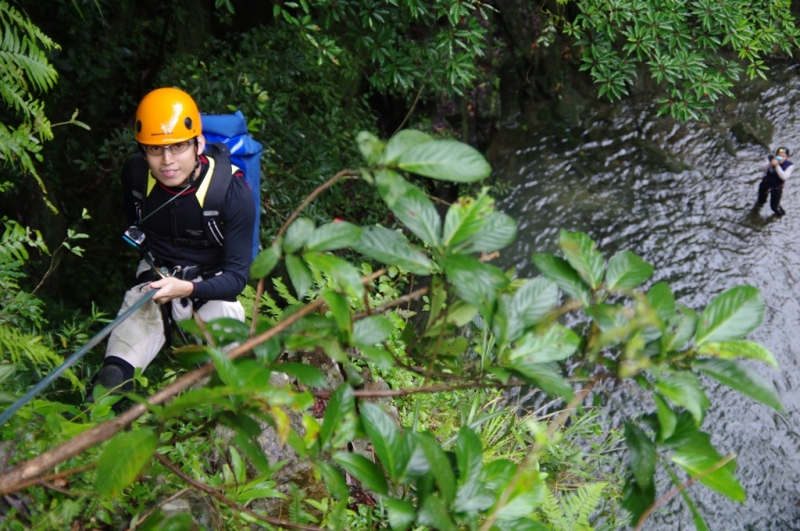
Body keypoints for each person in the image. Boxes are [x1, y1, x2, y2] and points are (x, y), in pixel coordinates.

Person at [92, 87, 255, 394]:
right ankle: (88, 433)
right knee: (112, 378)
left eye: (178, 146)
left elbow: (236, 278)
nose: (166, 161)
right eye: (155, 149)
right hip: (155, 279)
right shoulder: (136, 176)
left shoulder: (232, 194)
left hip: (213, 289)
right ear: (143, 150)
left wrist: (187, 288)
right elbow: (137, 228)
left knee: (230, 387)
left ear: (199, 144)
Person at [755, 147, 794, 216]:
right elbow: (760, 169)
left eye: (783, 156)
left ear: (787, 157)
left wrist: (777, 166)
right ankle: (758, 207)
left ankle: (781, 215)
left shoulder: (789, 165)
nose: (780, 157)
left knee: (774, 206)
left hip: (777, 188)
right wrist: (769, 164)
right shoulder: (770, 159)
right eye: (779, 155)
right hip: (766, 183)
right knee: (761, 199)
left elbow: (784, 177)